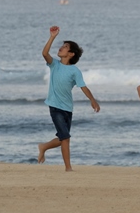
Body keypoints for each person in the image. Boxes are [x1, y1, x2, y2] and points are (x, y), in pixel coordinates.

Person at [37, 26, 100, 170]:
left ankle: (44, 147)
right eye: (62, 45)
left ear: (71, 54)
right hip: (55, 106)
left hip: (67, 108)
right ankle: (68, 168)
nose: (61, 48)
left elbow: (83, 86)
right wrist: (52, 37)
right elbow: (44, 53)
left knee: (63, 138)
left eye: (65, 47)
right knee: (65, 137)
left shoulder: (75, 71)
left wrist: (92, 100)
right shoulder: (54, 65)